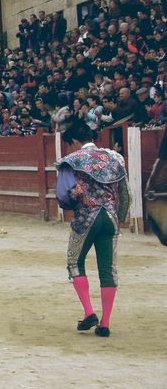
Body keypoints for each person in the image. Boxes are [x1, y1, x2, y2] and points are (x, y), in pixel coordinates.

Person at [56, 120, 130, 338]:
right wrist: (121, 220)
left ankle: (89, 312)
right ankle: (105, 324)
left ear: (75, 141)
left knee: (75, 263)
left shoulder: (72, 160)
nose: (69, 148)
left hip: (86, 218)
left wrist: (73, 202)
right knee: (108, 270)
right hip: (110, 218)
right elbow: (125, 193)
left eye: (70, 144)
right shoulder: (115, 157)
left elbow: (63, 195)